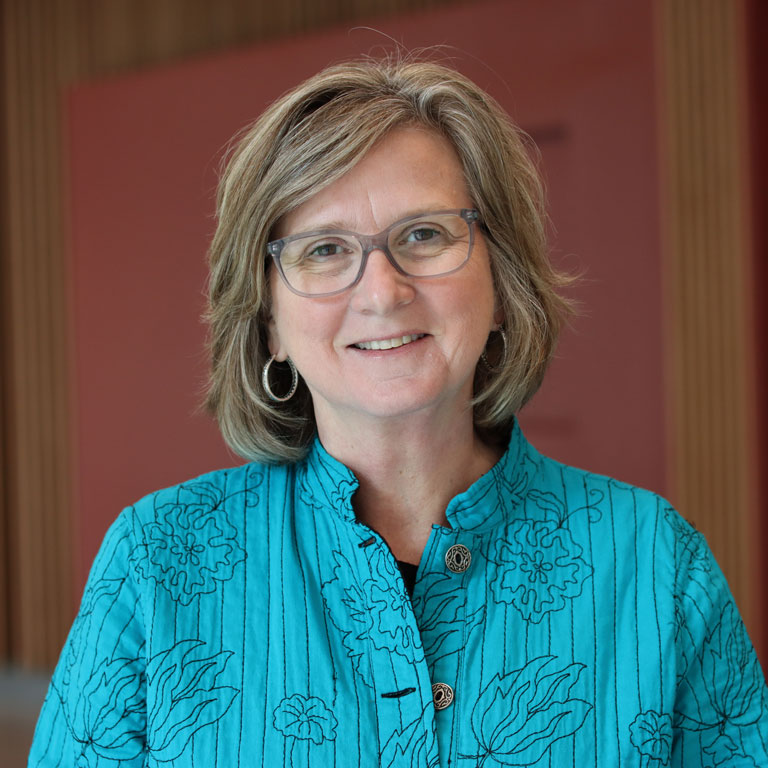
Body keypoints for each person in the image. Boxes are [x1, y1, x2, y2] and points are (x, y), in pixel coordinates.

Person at [30, 57, 767, 767]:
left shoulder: (655, 567)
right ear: (267, 323)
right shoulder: (156, 563)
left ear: (503, 284)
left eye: (424, 235)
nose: (381, 291)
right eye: (323, 250)